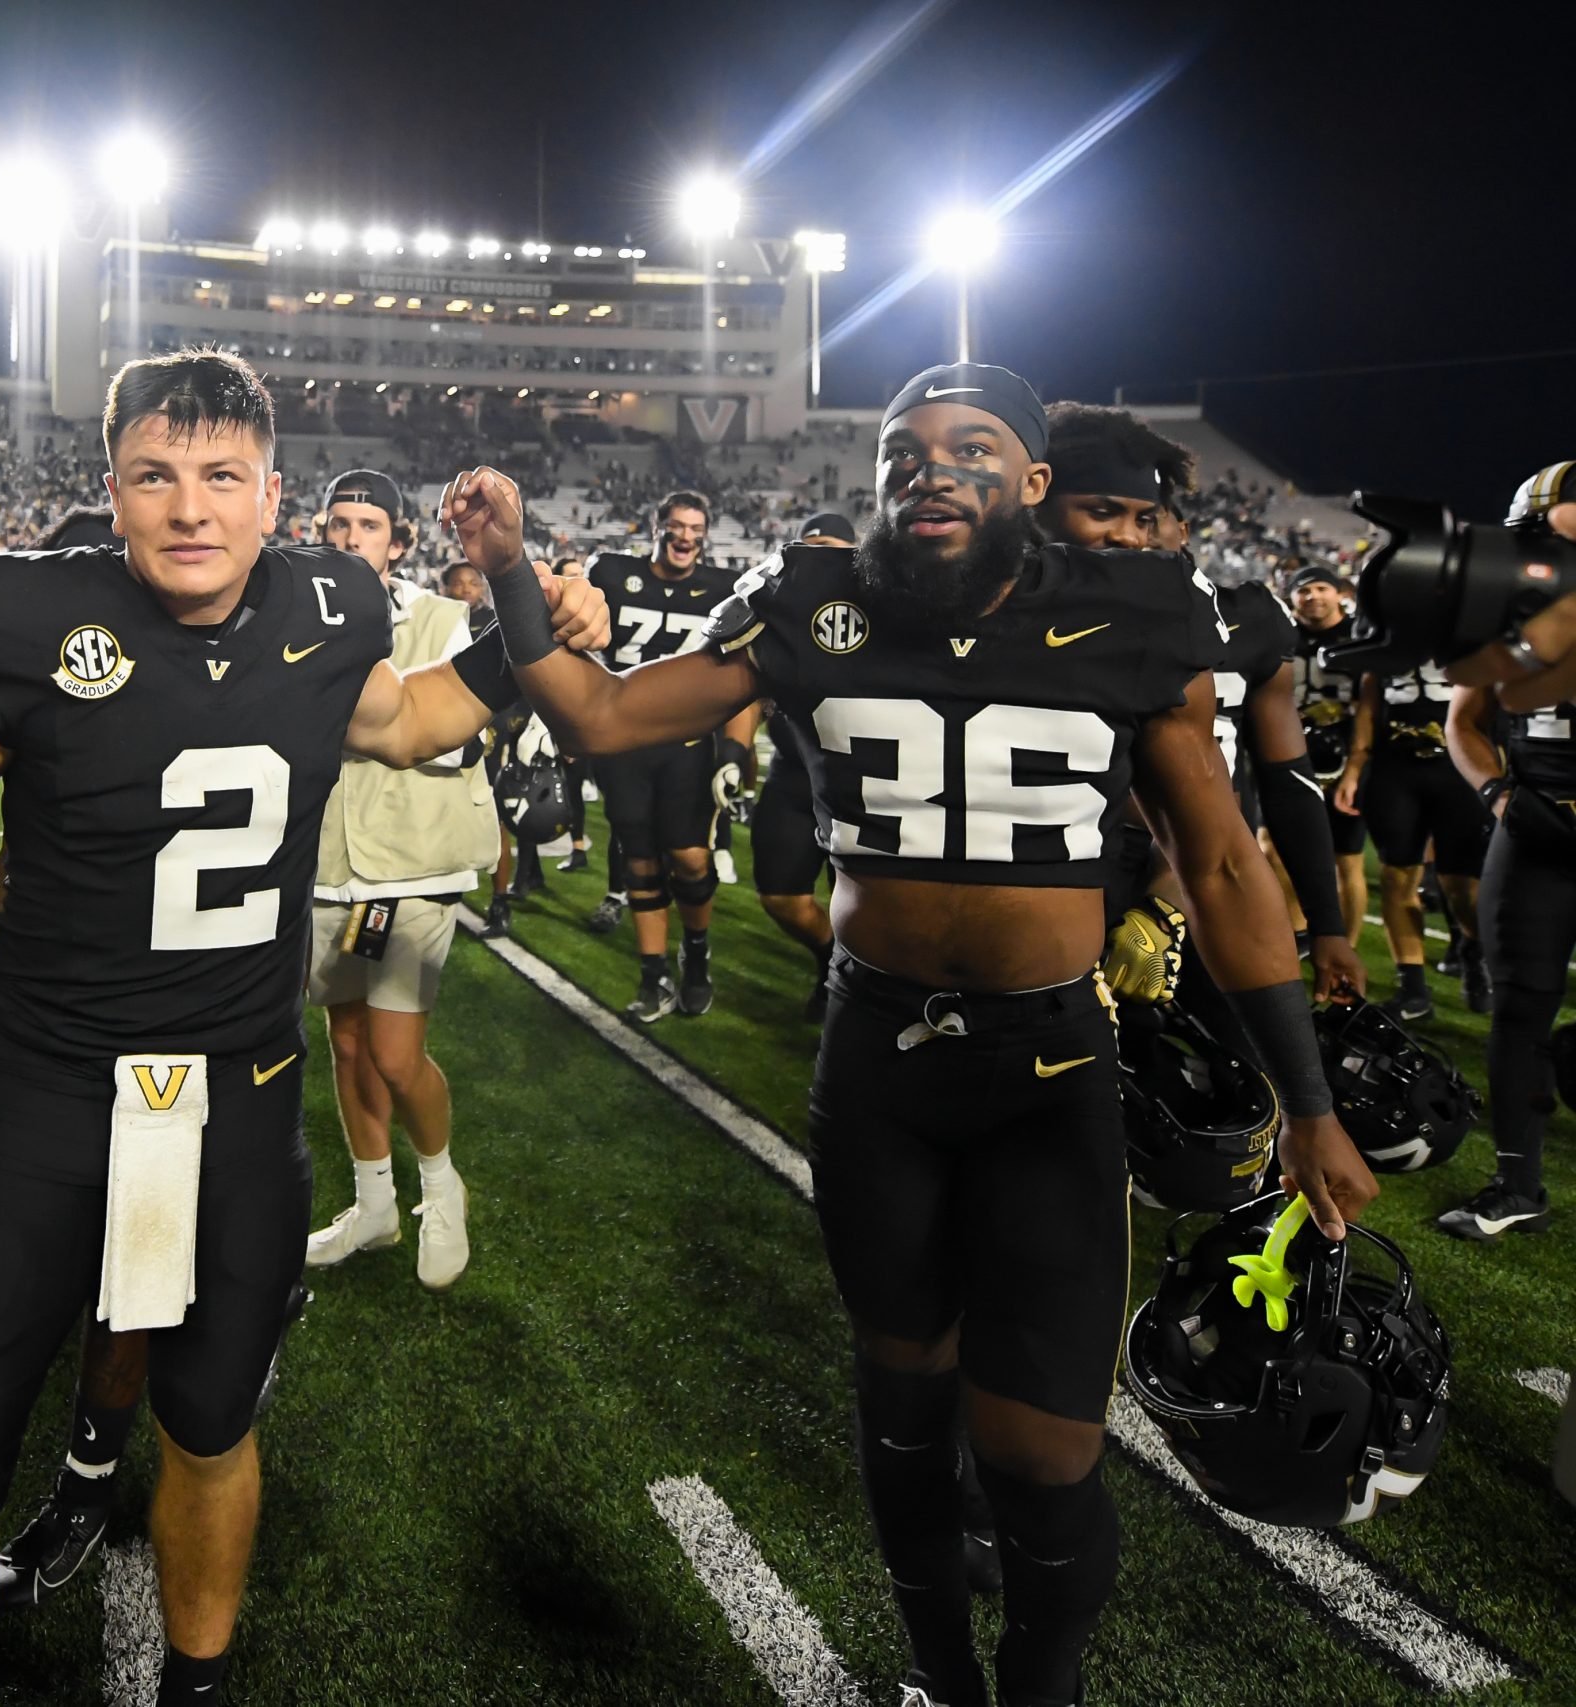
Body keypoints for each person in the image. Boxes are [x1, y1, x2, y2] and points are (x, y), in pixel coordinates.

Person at [0, 349, 605, 1706]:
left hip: (225, 1106)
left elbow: (408, 721)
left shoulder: (328, 604)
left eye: (223, 476)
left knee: (211, 1424)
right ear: (109, 487)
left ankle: (198, 1679)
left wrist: (527, 605)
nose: (189, 508)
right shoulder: (25, 612)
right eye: (155, 475)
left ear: (270, 493)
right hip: (45, 1104)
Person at [479, 363, 1378, 1707]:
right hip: (881, 1065)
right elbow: (605, 712)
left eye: (971, 448)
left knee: (1048, 1453)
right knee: (903, 1410)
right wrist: (504, 571)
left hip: (1051, 1070)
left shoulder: (1131, 610)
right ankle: (943, 1677)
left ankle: (1041, 1691)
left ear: (1032, 484)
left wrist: (1305, 1100)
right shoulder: (813, 602)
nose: (929, 467)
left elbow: (1230, 863)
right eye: (906, 448)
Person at [1034, 404, 1365, 1004]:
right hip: (1066, 865)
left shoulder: (1250, 620)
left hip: (1209, 861)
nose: (1134, 538)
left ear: (1181, 530)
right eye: (1107, 512)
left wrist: (1327, 926)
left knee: (1252, 1068)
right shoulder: (1021, 621)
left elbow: (1288, 784)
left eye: (1151, 519)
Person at [301, 468, 490, 1289]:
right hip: (331, 868)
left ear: (400, 541)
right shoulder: (292, 613)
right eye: (339, 523)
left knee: (394, 1049)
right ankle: (373, 1204)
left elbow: (443, 737)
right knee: (344, 1041)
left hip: (412, 862)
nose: (350, 537)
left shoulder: (444, 620)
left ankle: (442, 1185)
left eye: (368, 525)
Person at [1436, 476, 1576, 1241]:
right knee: (1521, 1006)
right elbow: (1463, 720)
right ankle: (1518, 1183)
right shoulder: (1505, 615)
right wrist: (1497, 794)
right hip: (1536, 833)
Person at [583, 491, 747, 1019]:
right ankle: (653, 977)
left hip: (688, 746)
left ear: (706, 534)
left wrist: (737, 751)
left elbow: (746, 674)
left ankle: (695, 956)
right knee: (640, 861)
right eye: (676, 526)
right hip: (625, 746)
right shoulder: (610, 573)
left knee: (690, 859)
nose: (685, 536)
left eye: (696, 528)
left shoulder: (725, 589)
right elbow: (575, 650)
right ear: (656, 527)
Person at [1336, 657, 1489, 1020]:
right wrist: (1355, 766)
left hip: (1457, 767)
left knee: (1462, 886)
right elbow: (1369, 704)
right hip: (1396, 768)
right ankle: (1413, 988)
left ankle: (1473, 949)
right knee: (1395, 877)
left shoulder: (1467, 627)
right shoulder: (1388, 629)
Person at [750, 512, 855, 1020]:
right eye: (810, 547)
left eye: (832, 547)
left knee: (860, 911)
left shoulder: (884, 610)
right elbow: (745, 690)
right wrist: (733, 752)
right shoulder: (775, 613)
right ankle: (829, 957)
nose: (819, 558)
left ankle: (845, 981)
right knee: (778, 896)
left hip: (861, 784)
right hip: (792, 776)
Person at [1285, 568, 1369, 938]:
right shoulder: (1280, 637)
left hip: (1346, 759)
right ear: (1292, 599)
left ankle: (1347, 944)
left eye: (1322, 588)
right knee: (1275, 850)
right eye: (1304, 590)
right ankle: (1296, 934)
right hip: (1290, 757)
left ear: (1339, 594)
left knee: (1346, 860)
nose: (1313, 596)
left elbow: (1371, 706)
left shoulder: (1360, 636)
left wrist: (1355, 767)